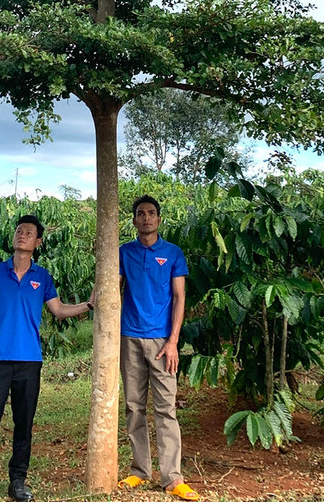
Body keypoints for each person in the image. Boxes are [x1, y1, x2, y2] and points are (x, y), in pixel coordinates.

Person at [0, 215, 91, 502]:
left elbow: (58, 310)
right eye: (19, 231)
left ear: (38, 242)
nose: (22, 235)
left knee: (24, 422)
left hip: (29, 361)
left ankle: (18, 481)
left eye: (29, 233)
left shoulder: (43, 277)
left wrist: (89, 304)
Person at [118, 194, 199, 500]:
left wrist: (174, 341)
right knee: (134, 406)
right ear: (135, 220)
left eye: (152, 213)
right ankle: (140, 471)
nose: (147, 218)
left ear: (159, 219)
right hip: (129, 338)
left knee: (166, 409)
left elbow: (180, 298)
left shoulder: (173, 253)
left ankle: (173, 477)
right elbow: (112, 285)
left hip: (163, 342)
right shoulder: (124, 252)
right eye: (141, 213)